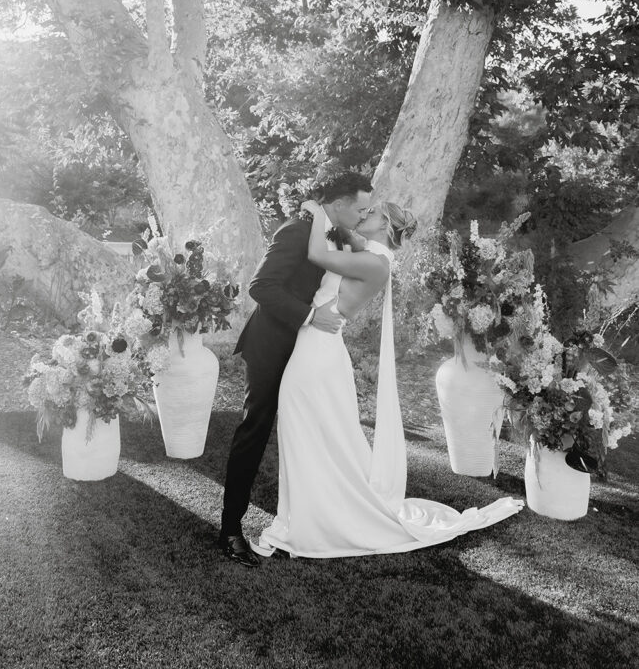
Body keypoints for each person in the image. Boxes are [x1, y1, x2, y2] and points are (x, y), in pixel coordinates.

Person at [251, 200, 524, 559]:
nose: (363, 215)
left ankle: (306, 523)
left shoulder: (375, 261)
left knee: (303, 430)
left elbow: (318, 252)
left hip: (316, 351)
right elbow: (346, 239)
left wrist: (316, 209)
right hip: (318, 346)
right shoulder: (373, 252)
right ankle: (302, 516)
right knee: (310, 434)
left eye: (372, 214)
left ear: (386, 227)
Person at [219, 171, 373, 566]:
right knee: (255, 430)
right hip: (272, 347)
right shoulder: (295, 230)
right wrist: (309, 316)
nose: (362, 215)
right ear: (338, 204)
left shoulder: (331, 231)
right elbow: (261, 286)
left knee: (310, 433)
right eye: (359, 208)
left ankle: (307, 521)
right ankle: (230, 529)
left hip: (308, 353)